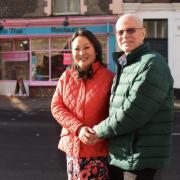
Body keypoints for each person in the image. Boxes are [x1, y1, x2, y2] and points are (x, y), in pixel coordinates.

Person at [90, 14, 174, 180]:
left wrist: (97, 131)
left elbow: (131, 113)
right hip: (122, 155)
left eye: (130, 30)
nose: (125, 35)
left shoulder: (152, 63)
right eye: (120, 32)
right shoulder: (126, 64)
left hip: (137, 158)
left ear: (143, 33)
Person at [51, 29, 114, 179]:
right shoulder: (66, 76)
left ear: (96, 50)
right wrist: (78, 128)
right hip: (72, 152)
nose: (81, 53)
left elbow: (115, 114)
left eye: (86, 47)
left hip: (96, 152)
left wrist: (100, 132)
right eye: (77, 49)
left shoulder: (109, 78)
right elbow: (56, 106)